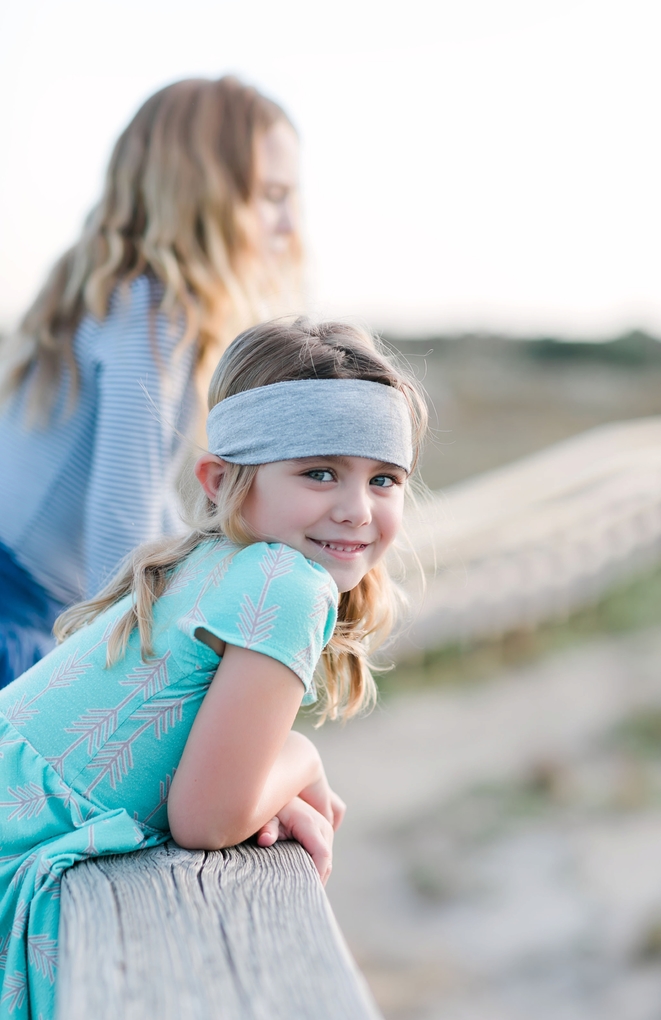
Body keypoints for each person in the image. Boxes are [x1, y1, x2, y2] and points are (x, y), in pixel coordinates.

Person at [0, 317, 428, 1020]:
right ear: (222, 478)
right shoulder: (288, 585)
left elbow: (204, 782)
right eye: (319, 472)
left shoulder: (205, 562)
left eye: (385, 479)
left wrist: (255, 780)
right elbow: (208, 817)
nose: (356, 510)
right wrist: (300, 759)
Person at [0, 75, 303, 687]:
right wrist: (138, 676)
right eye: (271, 196)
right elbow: (121, 519)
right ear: (201, 195)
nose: (289, 223)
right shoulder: (151, 316)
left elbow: (149, 498)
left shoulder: (118, 295)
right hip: (17, 610)